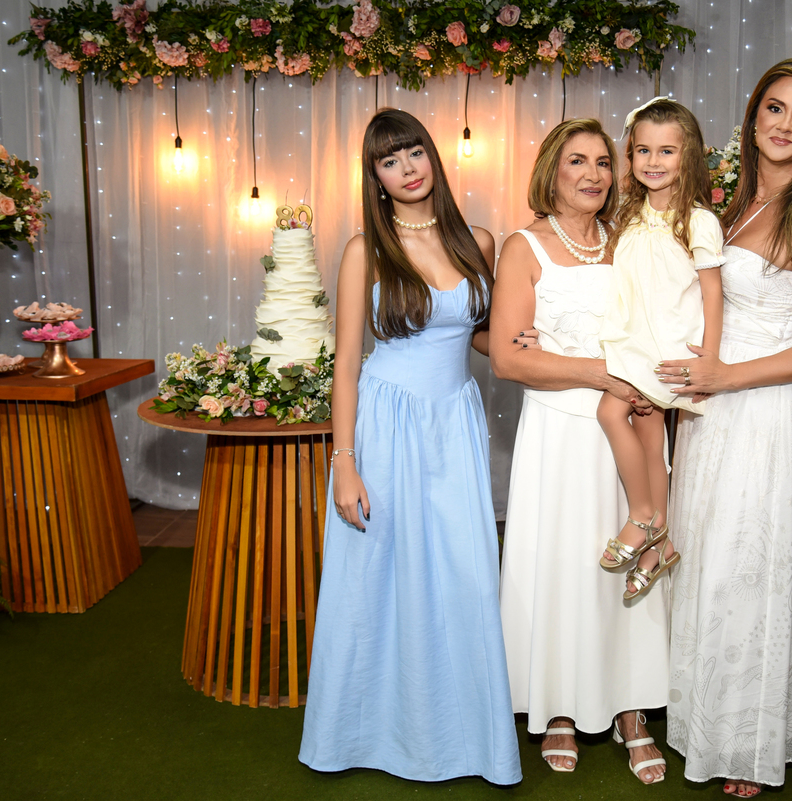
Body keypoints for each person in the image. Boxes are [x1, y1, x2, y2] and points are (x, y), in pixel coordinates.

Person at [653, 58, 792, 797]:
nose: (785, 125)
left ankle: (750, 742)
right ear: (753, 113)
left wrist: (726, 377)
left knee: (756, 566)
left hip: (771, 413)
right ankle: (709, 717)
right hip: (718, 410)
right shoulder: (737, 201)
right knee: (714, 559)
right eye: (775, 107)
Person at [298, 108, 520, 785]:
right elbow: (345, 363)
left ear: (432, 156)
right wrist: (344, 463)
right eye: (389, 161)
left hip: (455, 422)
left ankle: (465, 739)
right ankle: (359, 733)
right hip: (386, 424)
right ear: (376, 178)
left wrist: (537, 341)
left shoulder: (477, 240)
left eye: (414, 152)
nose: (407, 168)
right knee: (375, 577)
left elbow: (477, 335)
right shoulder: (364, 250)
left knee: (463, 572)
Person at [492, 118, 669, 785]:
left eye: (602, 162)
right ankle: (559, 706)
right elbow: (509, 359)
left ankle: (630, 707)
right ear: (552, 170)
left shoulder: (630, 242)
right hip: (558, 433)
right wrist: (602, 372)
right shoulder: (523, 247)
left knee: (629, 562)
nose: (593, 174)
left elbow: (659, 326)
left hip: (629, 425)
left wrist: (639, 380)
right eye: (577, 161)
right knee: (563, 564)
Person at [597, 97, 724, 599]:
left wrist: (710, 359)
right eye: (643, 150)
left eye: (666, 151)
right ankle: (660, 545)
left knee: (611, 412)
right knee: (652, 443)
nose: (653, 161)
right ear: (630, 155)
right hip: (633, 342)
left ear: (687, 156)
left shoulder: (698, 220)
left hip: (668, 346)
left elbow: (712, 293)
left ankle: (643, 516)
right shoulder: (629, 216)